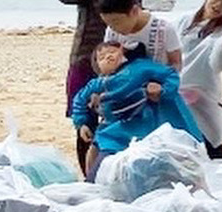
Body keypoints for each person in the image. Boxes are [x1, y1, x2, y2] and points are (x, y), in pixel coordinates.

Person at [44, 0, 175, 174]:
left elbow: (137, 28)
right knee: (84, 122)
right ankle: (89, 174)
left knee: (119, 120)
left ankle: (115, 171)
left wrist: (146, 9)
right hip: (84, 63)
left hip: (121, 67)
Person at [71, 42, 202, 181]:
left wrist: (162, 91)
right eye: (101, 57)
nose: (108, 57)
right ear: (99, 68)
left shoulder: (140, 67)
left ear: (122, 53)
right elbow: (79, 99)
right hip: (112, 134)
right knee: (97, 175)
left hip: (143, 130)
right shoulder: (98, 83)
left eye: (112, 52)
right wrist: (81, 123)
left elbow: (170, 74)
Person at [176, 0, 222, 159]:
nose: (219, 5)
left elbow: (218, 65)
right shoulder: (184, 20)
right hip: (176, 87)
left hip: (202, 92)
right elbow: (169, 47)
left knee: (209, 137)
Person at [99, 0, 182, 70]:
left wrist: (164, 81)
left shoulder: (164, 30)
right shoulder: (111, 32)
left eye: (116, 22)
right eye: (108, 24)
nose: (113, 28)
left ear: (134, 11)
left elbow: (176, 63)